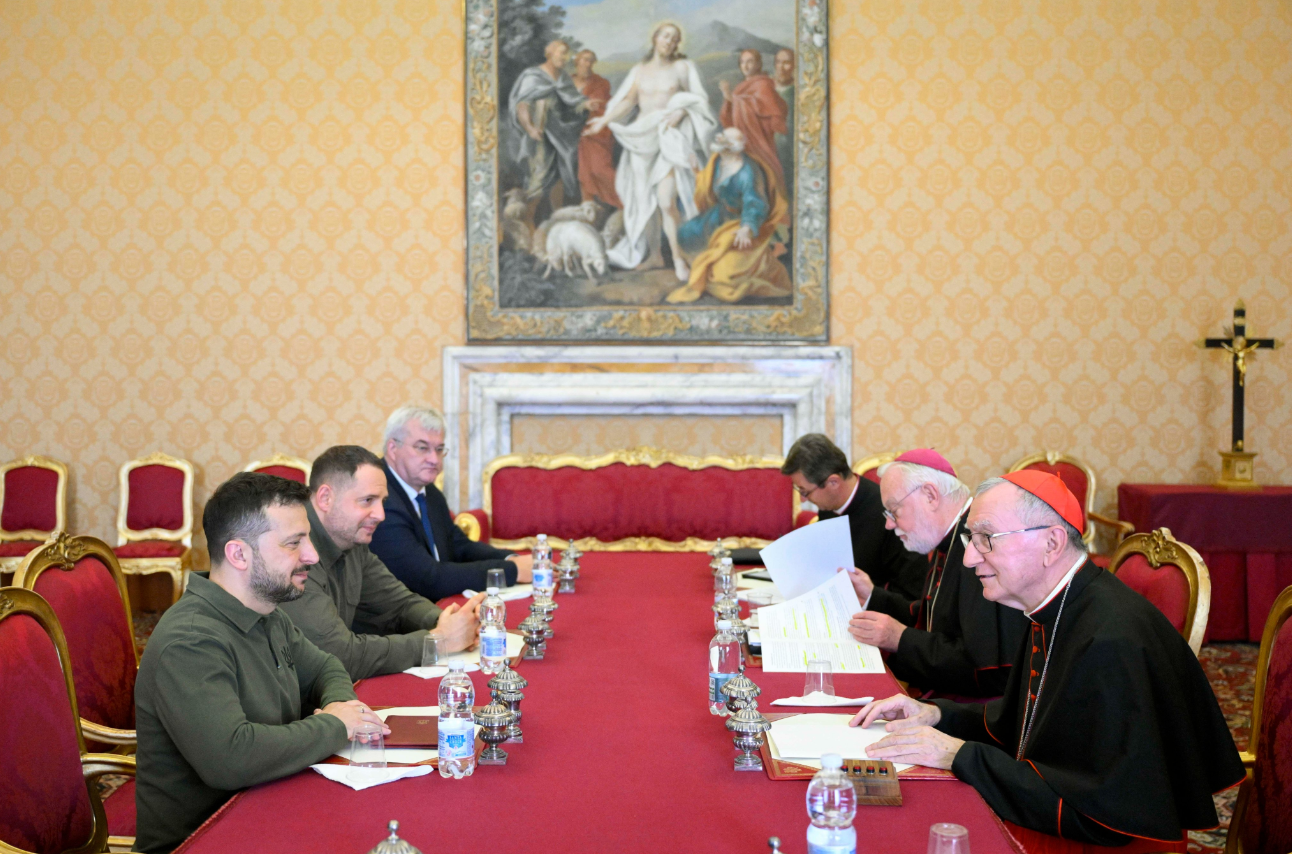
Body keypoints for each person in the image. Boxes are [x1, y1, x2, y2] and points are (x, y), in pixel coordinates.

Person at [854, 471, 1244, 845]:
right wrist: (937, 714)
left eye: (986, 538)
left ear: (1052, 544)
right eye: (970, 538)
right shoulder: (1053, 608)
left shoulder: (1110, 640)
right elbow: (1025, 720)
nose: (969, 558)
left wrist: (958, 754)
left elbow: (1099, 809)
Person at [134, 473, 387, 854]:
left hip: (271, 807)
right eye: (293, 543)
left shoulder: (266, 612)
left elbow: (326, 667)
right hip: (204, 839)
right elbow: (232, 758)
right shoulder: (190, 641)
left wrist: (340, 706)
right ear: (239, 554)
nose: (312, 556)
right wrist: (336, 725)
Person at [278, 445, 482, 681]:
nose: (380, 515)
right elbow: (339, 655)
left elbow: (399, 605)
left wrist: (451, 622)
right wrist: (438, 641)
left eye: (382, 501)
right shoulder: (293, 552)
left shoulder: (352, 539)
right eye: (367, 500)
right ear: (325, 498)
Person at [846, 450, 1029, 698]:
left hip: (977, 708)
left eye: (894, 510)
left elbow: (984, 666)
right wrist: (873, 596)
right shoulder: (948, 541)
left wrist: (900, 638)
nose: (889, 524)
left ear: (930, 495)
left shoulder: (979, 549)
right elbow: (936, 618)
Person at [585, 22, 719, 281]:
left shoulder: (683, 67)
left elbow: (700, 99)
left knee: (666, 201)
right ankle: (656, 255)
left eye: (675, 38)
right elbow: (628, 100)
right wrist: (603, 121)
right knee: (645, 200)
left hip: (669, 138)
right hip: (642, 139)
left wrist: (682, 111)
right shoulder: (639, 70)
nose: (670, 41)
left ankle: (678, 258)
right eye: (666, 36)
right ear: (656, 38)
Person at [369, 405, 532, 600]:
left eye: (439, 449)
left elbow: (458, 545)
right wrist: (511, 571)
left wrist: (511, 558)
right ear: (393, 448)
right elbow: (427, 579)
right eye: (422, 448)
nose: (434, 459)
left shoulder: (429, 492)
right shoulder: (380, 499)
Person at [780, 434, 927, 602]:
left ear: (833, 482)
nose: (802, 500)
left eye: (805, 492)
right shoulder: (828, 506)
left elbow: (911, 596)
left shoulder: (892, 515)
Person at [665, 127, 792, 304]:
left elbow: (755, 203)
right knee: (686, 234)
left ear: (732, 147)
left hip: (739, 224)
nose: (718, 138)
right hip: (719, 216)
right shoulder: (718, 160)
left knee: (725, 275)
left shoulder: (747, 172)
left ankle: (719, 266)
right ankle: (704, 262)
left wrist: (746, 228)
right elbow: (707, 182)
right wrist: (695, 170)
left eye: (724, 138)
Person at [508, 40, 600, 219]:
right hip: (540, 133)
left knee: (559, 176)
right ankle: (528, 219)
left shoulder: (563, 77)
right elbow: (522, 106)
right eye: (562, 53)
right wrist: (530, 128)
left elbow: (572, 101)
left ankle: (556, 217)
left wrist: (585, 104)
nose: (565, 57)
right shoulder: (533, 76)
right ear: (550, 53)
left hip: (561, 135)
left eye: (567, 54)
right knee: (539, 177)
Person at [719, 49, 788, 195]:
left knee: (762, 175)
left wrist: (731, 98)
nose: (745, 66)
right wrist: (729, 100)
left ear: (758, 64)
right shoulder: (740, 87)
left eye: (750, 61)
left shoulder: (763, 84)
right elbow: (729, 120)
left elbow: (764, 109)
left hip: (759, 140)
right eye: (742, 62)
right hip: (743, 140)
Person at [571, 49, 621, 209]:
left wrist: (585, 111)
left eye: (591, 61)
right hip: (569, 130)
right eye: (585, 59)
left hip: (594, 130)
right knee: (581, 168)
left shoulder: (600, 83)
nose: (588, 64)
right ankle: (587, 203)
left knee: (600, 169)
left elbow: (600, 106)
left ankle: (625, 200)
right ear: (577, 61)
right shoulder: (566, 82)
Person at [772, 48, 794, 201]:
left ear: (794, 65)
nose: (781, 67)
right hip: (767, 147)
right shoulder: (766, 87)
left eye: (786, 63)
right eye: (778, 62)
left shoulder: (798, 91)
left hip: (788, 149)